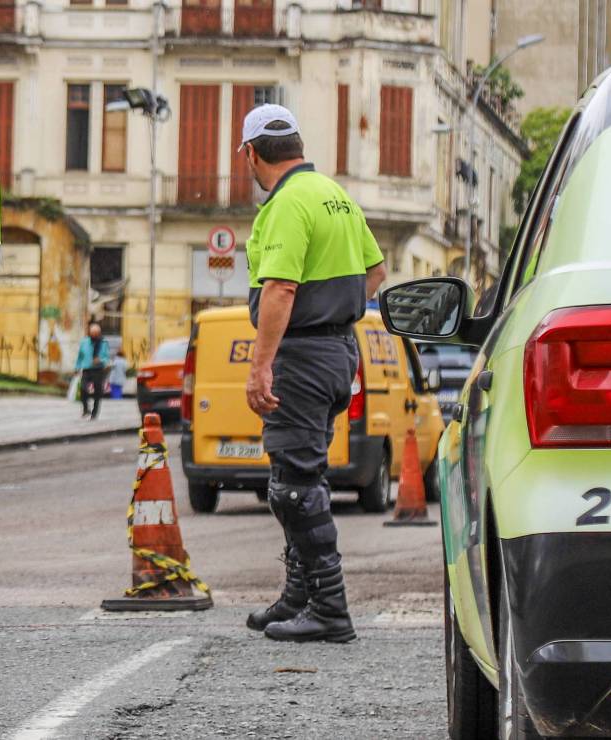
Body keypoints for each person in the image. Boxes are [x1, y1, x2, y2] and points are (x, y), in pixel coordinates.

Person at [240, 104, 386, 643]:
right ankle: (299, 594)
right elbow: (375, 271)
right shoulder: (335, 196)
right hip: (338, 352)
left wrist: (261, 367)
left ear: (251, 153)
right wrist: (338, 308)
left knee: (295, 488)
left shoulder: (285, 204)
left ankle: (329, 605)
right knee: (297, 477)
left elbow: (280, 288)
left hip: (301, 358)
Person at [75, 322, 111, 419]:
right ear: (89, 333)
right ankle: (86, 409)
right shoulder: (84, 342)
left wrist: (101, 360)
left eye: (96, 333)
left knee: (97, 392)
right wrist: (77, 367)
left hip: (98, 369)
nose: (94, 335)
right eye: (92, 333)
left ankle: (95, 412)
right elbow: (80, 356)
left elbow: (107, 357)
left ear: (99, 333)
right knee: (83, 388)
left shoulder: (103, 343)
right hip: (86, 368)